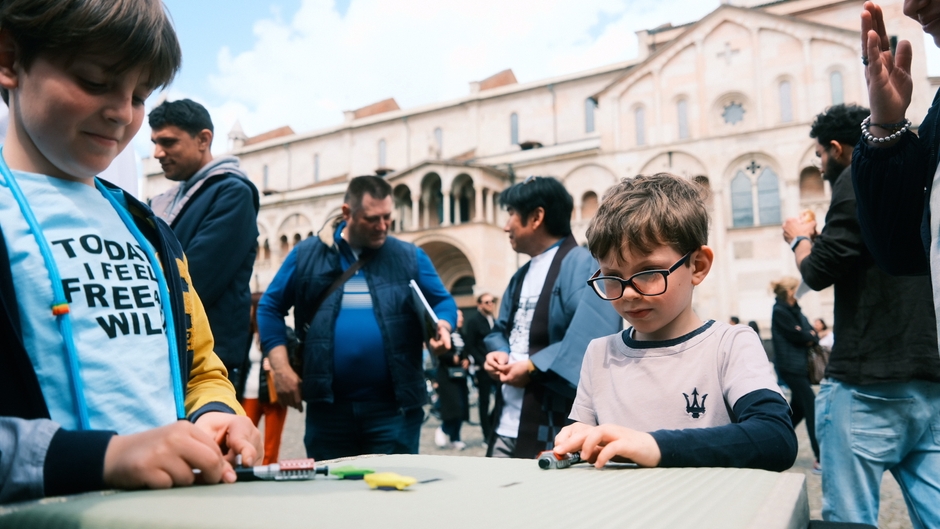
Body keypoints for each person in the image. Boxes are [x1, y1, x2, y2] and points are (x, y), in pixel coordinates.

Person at [0, 0, 261, 503]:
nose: (122, 112)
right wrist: (102, 458)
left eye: (139, 95)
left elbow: (199, 366)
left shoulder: (150, 231)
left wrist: (215, 415)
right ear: (10, 59)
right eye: (96, 81)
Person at [553, 174, 796, 471]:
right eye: (612, 277)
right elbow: (582, 433)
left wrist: (654, 447)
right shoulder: (599, 354)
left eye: (648, 272)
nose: (628, 293)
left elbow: (776, 438)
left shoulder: (729, 345)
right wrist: (575, 438)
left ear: (697, 266)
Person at [788, 99, 940, 526]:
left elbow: (817, 272)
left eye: (819, 153)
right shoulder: (915, 176)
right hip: (927, 378)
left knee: (850, 520)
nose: (818, 164)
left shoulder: (855, 177)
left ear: (837, 148)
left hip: (866, 381)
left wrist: (799, 239)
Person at [257, 175, 457, 460]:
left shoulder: (410, 256)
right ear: (347, 213)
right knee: (332, 499)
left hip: (394, 411)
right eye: (372, 219)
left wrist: (443, 326)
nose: (383, 226)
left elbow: (442, 302)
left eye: (388, 217)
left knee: (392, 497)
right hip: (329, 414)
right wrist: (281, 369)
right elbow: (269, 307)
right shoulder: (307, 255)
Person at [483, 176, 622, 459]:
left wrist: (533, 367)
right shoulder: (520, 275)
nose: (506, 225)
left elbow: (593, 338)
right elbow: (500, 330)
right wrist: (498, 353)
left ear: (536, 217)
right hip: (506, 421)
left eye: (511, 214)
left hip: (554, 422)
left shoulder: (584, 265)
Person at [148, 99, 259, 397]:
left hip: (209, 365)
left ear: (203, 139)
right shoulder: (162, 201)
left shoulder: (233, 193)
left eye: (168, 142)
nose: (158, 153)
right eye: (155, 142)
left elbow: (196, 279)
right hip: (167, 353)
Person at [768, 277, 820, 472]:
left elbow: (810, 333)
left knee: (796, 411)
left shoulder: (795, 310)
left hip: (801, 366)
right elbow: (801, 335)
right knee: (811, 406)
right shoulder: (780, 311)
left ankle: (770, 445)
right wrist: (807, 335)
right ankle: (821, 457)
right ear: (790, 291)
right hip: (790, 367)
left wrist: (808, 335)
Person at [241, 293, 287, 465]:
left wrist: (279, 363)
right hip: (249, 394)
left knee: (271, 446)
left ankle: (268, 477)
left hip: (272, 394)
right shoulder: (246, 336)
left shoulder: (279, 334)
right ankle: (245, 471)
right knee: (243, 440)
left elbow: (295, 356)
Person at [460, 293, 497, 442]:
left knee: (502, 398)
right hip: (482, 368)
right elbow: (470, 345)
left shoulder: (494, 321)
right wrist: (482, 362)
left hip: (497, 366)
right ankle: (486, 435)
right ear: (480, 305)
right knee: (484, 401)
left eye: (492, 301)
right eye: (487, 302)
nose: (490, 304)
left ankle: (490, 422)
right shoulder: (474, 322)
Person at [434, 310, 469, 450]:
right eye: (458, 316)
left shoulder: (461, 334)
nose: (461, 318)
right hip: (447, 376)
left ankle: (456, 438)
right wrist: (451, 357)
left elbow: (466, 351)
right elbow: (439, 353)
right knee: (452, 407)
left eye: (462, 316)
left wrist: (466, 360)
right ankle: (443, 429)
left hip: (460, 375)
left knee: (461, 407)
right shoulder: (444, 334)